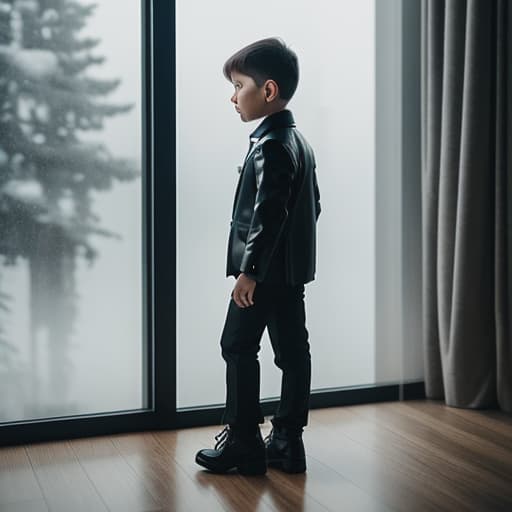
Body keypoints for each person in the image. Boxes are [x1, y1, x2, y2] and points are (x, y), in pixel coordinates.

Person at [195, 36, 321, 476]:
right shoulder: (297, 141)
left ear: (267, 91)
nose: (233, 96)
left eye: (239, 85)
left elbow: (268, 213)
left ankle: (244, 439)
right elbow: (312, 208)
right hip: (289, 275)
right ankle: (288, 441)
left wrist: (250, 271)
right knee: (292, 351)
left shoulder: (269, 145)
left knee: (237, 344)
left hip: (263, 275)